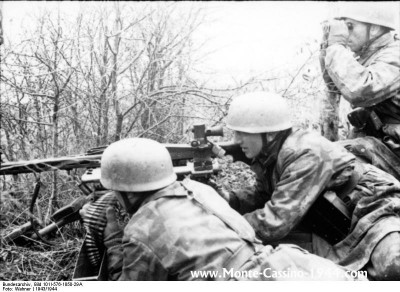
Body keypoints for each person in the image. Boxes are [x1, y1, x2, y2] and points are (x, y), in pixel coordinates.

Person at [80, 137, 355, 281]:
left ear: (126, 192)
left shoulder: (141, 228)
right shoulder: (200, 190)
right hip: (289, 266)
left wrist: (115, 237)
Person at [219, 91, 400, 280]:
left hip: (374, 206)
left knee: (392, 266)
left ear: (270, 134)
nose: (236, 140)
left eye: (242, 133)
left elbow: (274, 223)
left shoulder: (304, 152)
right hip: (333, 219)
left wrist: (227, 227)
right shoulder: (270, 154)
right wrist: (231, 200)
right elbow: (264, 195)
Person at [319, 2, 400, 169]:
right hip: (382, 146)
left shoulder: (395, 54)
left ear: (375, 29)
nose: (345, 34)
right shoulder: (368, 56)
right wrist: (327, 48)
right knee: (319, 157)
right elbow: (334, 85)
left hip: (393, 150)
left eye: (350, 26)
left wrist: (336, 48)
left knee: (334, 164)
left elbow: (362, 90)